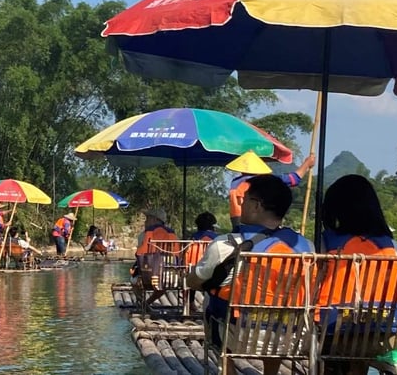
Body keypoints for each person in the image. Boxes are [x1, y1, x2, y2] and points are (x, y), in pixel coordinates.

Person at [187, 175, 314, 375]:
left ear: (256, 205)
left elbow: (195, 281)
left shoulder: (225, 244)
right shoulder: (306, 247)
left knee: (213, 301)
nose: (240, 204)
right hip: (292, 336)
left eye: (243, 199)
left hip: (242, 332)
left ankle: (227, 368)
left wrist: (193, 280)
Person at [318, 174, 397, 375]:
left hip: (333, 331)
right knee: (362, 336)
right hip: (384, 329)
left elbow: (313, 284)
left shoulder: (326, 243)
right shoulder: (391, 246)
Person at [226, 151, 316, 229]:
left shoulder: (235, 183)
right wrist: (307, 164)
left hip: (236, 221)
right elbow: (293, 179)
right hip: (254, 222)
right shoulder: (259, 183)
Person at [131, 209, 179, 308]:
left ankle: (142, 303)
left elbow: (139, 255)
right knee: (164, 282)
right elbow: (177, 255)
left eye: (147, 219)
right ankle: (148, 302)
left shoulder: (145, 234)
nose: (145, 222)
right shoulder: (173, 234)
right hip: (170, 278)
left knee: (133, 279)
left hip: (147, 276)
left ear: (154, 219)